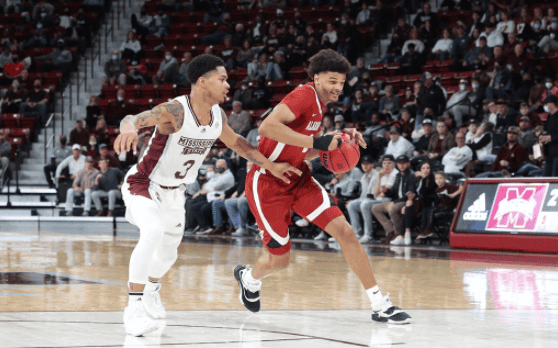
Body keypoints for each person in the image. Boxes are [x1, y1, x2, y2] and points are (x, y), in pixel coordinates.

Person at [113, 54, 300, 336]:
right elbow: (136, 118)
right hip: (144, 184)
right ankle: (134, 308)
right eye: (222, 79)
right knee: (151, 231)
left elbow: (237, 142)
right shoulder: (176, 111)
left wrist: (271, 165)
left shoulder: (217, 116)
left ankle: (151, 289)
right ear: (202, 82)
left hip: (176, 193)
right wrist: (128, 127)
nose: (228, 85)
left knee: (168, 255)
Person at [235, 49, 412, 324]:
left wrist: (338, 141)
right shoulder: (304, 95)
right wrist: (319, 142)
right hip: (268, 182)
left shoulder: (320, 105)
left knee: (345, 231)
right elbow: (267, 128)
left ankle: (379, 304)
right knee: (279, 261)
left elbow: (300, 152)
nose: (337, 88)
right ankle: (248, 278)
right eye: (332, 81)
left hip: (298, 177)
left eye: (341, 83)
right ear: (316, 78)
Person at [372, 155, 416, 246]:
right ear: (397, 165)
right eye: (400, 163)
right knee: (375, 208)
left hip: (406, 201)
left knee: (393, 208)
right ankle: (391, 231)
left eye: (404, 163)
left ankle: (398, 234)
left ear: (408, 164)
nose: (402, 165)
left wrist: (393, 202)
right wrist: (386, 191)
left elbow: (408, 195)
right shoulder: (398, 175)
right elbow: (394, 192)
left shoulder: (411, 175)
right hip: (396, 201)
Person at [541, 95, 558, 177]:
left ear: (552, 103)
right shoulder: (549, 117)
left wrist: (552, 138)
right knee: (545, 179)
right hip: (549, 154)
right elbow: (547, 132)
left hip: (557, 154)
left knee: (555, 179)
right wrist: (542, 138)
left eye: (547, 103)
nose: (545, 106)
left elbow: (551, 136)